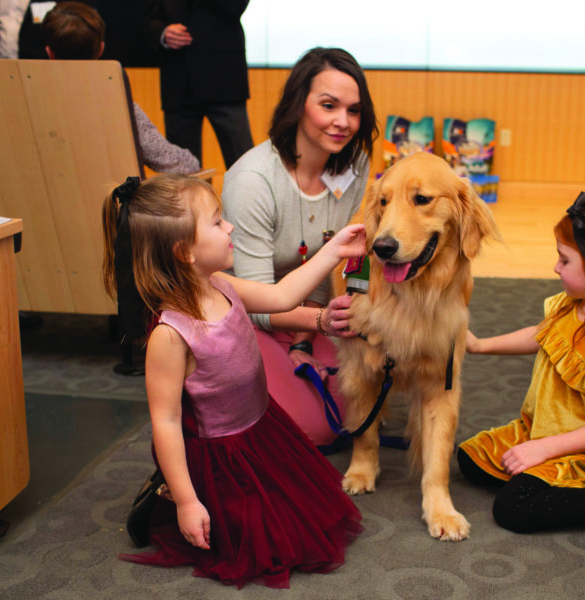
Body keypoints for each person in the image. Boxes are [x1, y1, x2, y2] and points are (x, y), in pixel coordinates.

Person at [102, 174, 365, 588]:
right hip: (224, 452)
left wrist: (334, 252)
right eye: (218, 221)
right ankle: (173, 494)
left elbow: (280, 298)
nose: (230, 228)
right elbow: (166, 422)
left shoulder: (219, 284)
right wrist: (189, 503)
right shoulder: (170, 335)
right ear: (184, 252)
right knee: (267, 540)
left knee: (295, 509)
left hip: (261, 426)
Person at [457, 193, 585, 533]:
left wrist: (544, 449)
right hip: (539, 429)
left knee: (514, 509)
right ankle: (537, 468)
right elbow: (541, 334)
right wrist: (479, 346)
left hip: (583, 452)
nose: (555, 267)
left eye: (564, 260)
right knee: (469, 459)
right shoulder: (572, 304)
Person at [221, 47, 378, 447]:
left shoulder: (354, 165)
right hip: (250, 317)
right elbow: (256, 302)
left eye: (354, 110)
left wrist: (307, 338)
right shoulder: (254, 181)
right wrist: (321, 323)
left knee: (361, 407)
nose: (343, 122)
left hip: (311, 315)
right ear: (298, 104)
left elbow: (350, 262)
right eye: (329, 105)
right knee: (315, 430)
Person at [41, 1, 199, 174]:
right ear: (101, 49)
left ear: (50, 53)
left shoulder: (25, 103)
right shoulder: (116, 105)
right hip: (110, 200)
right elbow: (177, 164)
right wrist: (193, 161)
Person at [145, 0, 253, 167]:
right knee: (182, 174)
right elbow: (149, 18)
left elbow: (236, 6)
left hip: (224, 78)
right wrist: (163, 33)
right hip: (178, 81)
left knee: (244, 164)